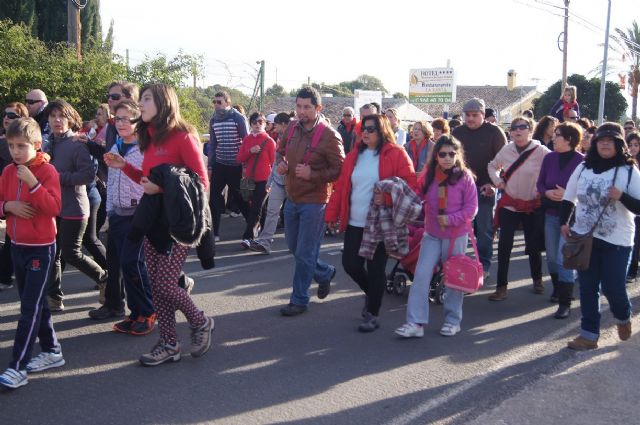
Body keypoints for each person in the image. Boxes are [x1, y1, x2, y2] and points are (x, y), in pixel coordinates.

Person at [105, 83, 213, 365]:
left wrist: (161, 189)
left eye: (147, 99)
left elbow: (200, 183)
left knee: (165, 285)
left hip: (178, 221)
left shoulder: (183, 136)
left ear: (164, 102)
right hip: (153, 217)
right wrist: (124, 167)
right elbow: (148, 180)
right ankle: (168, 344)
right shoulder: (149, 137)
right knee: (156, 284)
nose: (140, 104)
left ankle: (200, 321)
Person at [326, 114, 417, 332]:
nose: (364, 133)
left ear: (382, 131)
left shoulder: (396, 154)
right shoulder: (354, 155)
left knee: (375, 268)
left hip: (379, 222)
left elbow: (410, 186)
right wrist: (330, 215)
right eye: (362, 129)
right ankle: (373, 293)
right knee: (351, 265)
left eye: (370, 129)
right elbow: (342, 188)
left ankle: (373, 313)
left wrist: (386, 198)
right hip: (355, 221)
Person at [561, 122, 640, 350]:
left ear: (619, 144)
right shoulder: (584, 167)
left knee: (613, 287)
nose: (605, 143)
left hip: (617, 240)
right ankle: (588, 335)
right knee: (587, 287)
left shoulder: (628, 170)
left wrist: (622, 196)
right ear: (594, 144)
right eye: (601, 140)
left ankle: (623, 317)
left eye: (611, 140)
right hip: (585, 238)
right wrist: (564, 222)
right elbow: (569, 197)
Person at [0, 118, 62, 389]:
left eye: (21, 146)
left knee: (29, 308)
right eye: (11, 145)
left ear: (37, 146)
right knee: (37, 303)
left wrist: (34, 184)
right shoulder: (7, 172)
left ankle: (18, 366)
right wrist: (8, 206)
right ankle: (52, 350)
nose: (15, 151)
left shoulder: (47, 171)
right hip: (16, 244)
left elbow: (54, 207)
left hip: (41, 248)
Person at [395, 136, 478, 338]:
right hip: (431, 235)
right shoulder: (428, 176)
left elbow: (472, 208)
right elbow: (416, 196)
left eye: (452, 154)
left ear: (458, 155)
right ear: (436, 156)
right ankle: (415, 323)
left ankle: (452, 321)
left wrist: (450, 219)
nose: (447, 158)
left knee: (453, 280)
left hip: (455, 237)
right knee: (421, 277)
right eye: (443, 154)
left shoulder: (465, 177)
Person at [88, 100, 156, 336]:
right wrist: (109, 212)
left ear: (139, 122)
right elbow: (112, 183)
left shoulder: (146, 149)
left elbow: (147, 182)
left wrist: (125, 165)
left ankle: (148, 311)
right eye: (118, 119)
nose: (122, 123)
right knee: (125, 267)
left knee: (133, 263)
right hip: (117, 214)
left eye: (127, 119)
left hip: (138, 215)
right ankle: (135, 313)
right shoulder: (116, 146)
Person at [276, 86, 344, 316]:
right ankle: (324, 273)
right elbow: (279, 150)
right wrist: (281, 164)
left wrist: (312, 175)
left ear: (318, 108)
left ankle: (299, 299)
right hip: (292, 197)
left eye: (307, 107)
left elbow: (338, 170)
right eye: (298, 106)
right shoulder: (293, 127)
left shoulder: (329, 135)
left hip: (314, 202)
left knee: (305, 252)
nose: (301, 111)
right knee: (295, 248)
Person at [43, 100, 108, 312]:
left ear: (71, 119)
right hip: (52, 207)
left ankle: (105, 279)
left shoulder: (78, 143)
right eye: (52, 116)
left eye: (61, 116)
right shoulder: (46, 143)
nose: (57, 120)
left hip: (75, 208)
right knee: (53, 254)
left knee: (72, 253)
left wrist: (58, 177)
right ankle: (54, 297)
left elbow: (88, 175)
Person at [487, 116, 550, 301]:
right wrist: (498, 182)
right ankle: (501, 287)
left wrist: (543, 190)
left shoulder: (542, 151)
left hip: (532, 205)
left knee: (533, 245)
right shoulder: (506, 150)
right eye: (514, 128)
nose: (517, 130)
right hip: (510, 204)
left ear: (530, 130)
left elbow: (550, 171)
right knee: (504, 245)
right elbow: (492, 166)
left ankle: (537, 280)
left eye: (522, 127)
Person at [452, 98, 508, 280]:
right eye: (467, 115)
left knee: (483, 228)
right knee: (458, 227)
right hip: (460, 186)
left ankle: (484, 264)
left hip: (486, 186)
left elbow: (504, 162)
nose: (470, 118)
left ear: (483, 115)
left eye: (474, 115)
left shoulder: (495, 132)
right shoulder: (457, 132)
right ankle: (455, 263)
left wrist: (493, 184)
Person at [536, 122, 584, 318]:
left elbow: (586, 190)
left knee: (565, 258)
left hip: (571, 218)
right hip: (550, 214)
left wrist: (569, 194)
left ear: (569, 139)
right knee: (552, 256)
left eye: (557, 135)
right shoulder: (549, 158)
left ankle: (565, 302)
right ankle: (557, 288)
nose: (553, 137)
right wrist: (547, 192)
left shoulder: (582, 162)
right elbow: (540, 183)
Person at [208, 91, 250, 241]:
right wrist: (210, 167)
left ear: (227, 102)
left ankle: (252, 224)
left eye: (219, 102)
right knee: (213, 198)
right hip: (220, 164)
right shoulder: (213, 119)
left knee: (239, 197)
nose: (216, 105)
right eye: (214, 102)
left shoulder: (238, 117)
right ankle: (215, 232)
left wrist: (245, 165)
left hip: (235, 165)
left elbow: (246, 140)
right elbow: (212, 144)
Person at [250, 112, 292, 254]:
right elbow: (276, 161)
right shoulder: (280, 138)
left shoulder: (297, 137)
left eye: (276, 125)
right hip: (279, 182)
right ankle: (265, 243)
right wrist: (270, 180)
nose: (274, 128)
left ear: (284, 125)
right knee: (272, 212)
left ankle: (295, 244)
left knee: (292, 214)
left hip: (293, 184)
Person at [0, 102, 29, 290]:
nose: (7, 118)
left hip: (18, 194)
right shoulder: (2, 141)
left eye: (12, 115)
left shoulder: (25, 146)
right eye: (5, 114)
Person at [237, 112, 276, 248]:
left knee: (256, 207)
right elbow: (239, 158)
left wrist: (273, 181)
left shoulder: (269, 141)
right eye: (254, 122)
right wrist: (250, 151)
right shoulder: (247, 139)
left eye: (261, 122)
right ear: (250, 124)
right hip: (250, 180)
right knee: (257, 208)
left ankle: (248, 237)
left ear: (266, 124)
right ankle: (265, 234)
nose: (257, 125)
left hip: (265, 180)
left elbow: (274, 162)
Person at [625, 130, 640, 282]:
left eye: (636, 144)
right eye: (630, 145)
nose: (633, 148)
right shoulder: (625, 163)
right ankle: (632, 270)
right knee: (633, 239)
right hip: (628, 206)